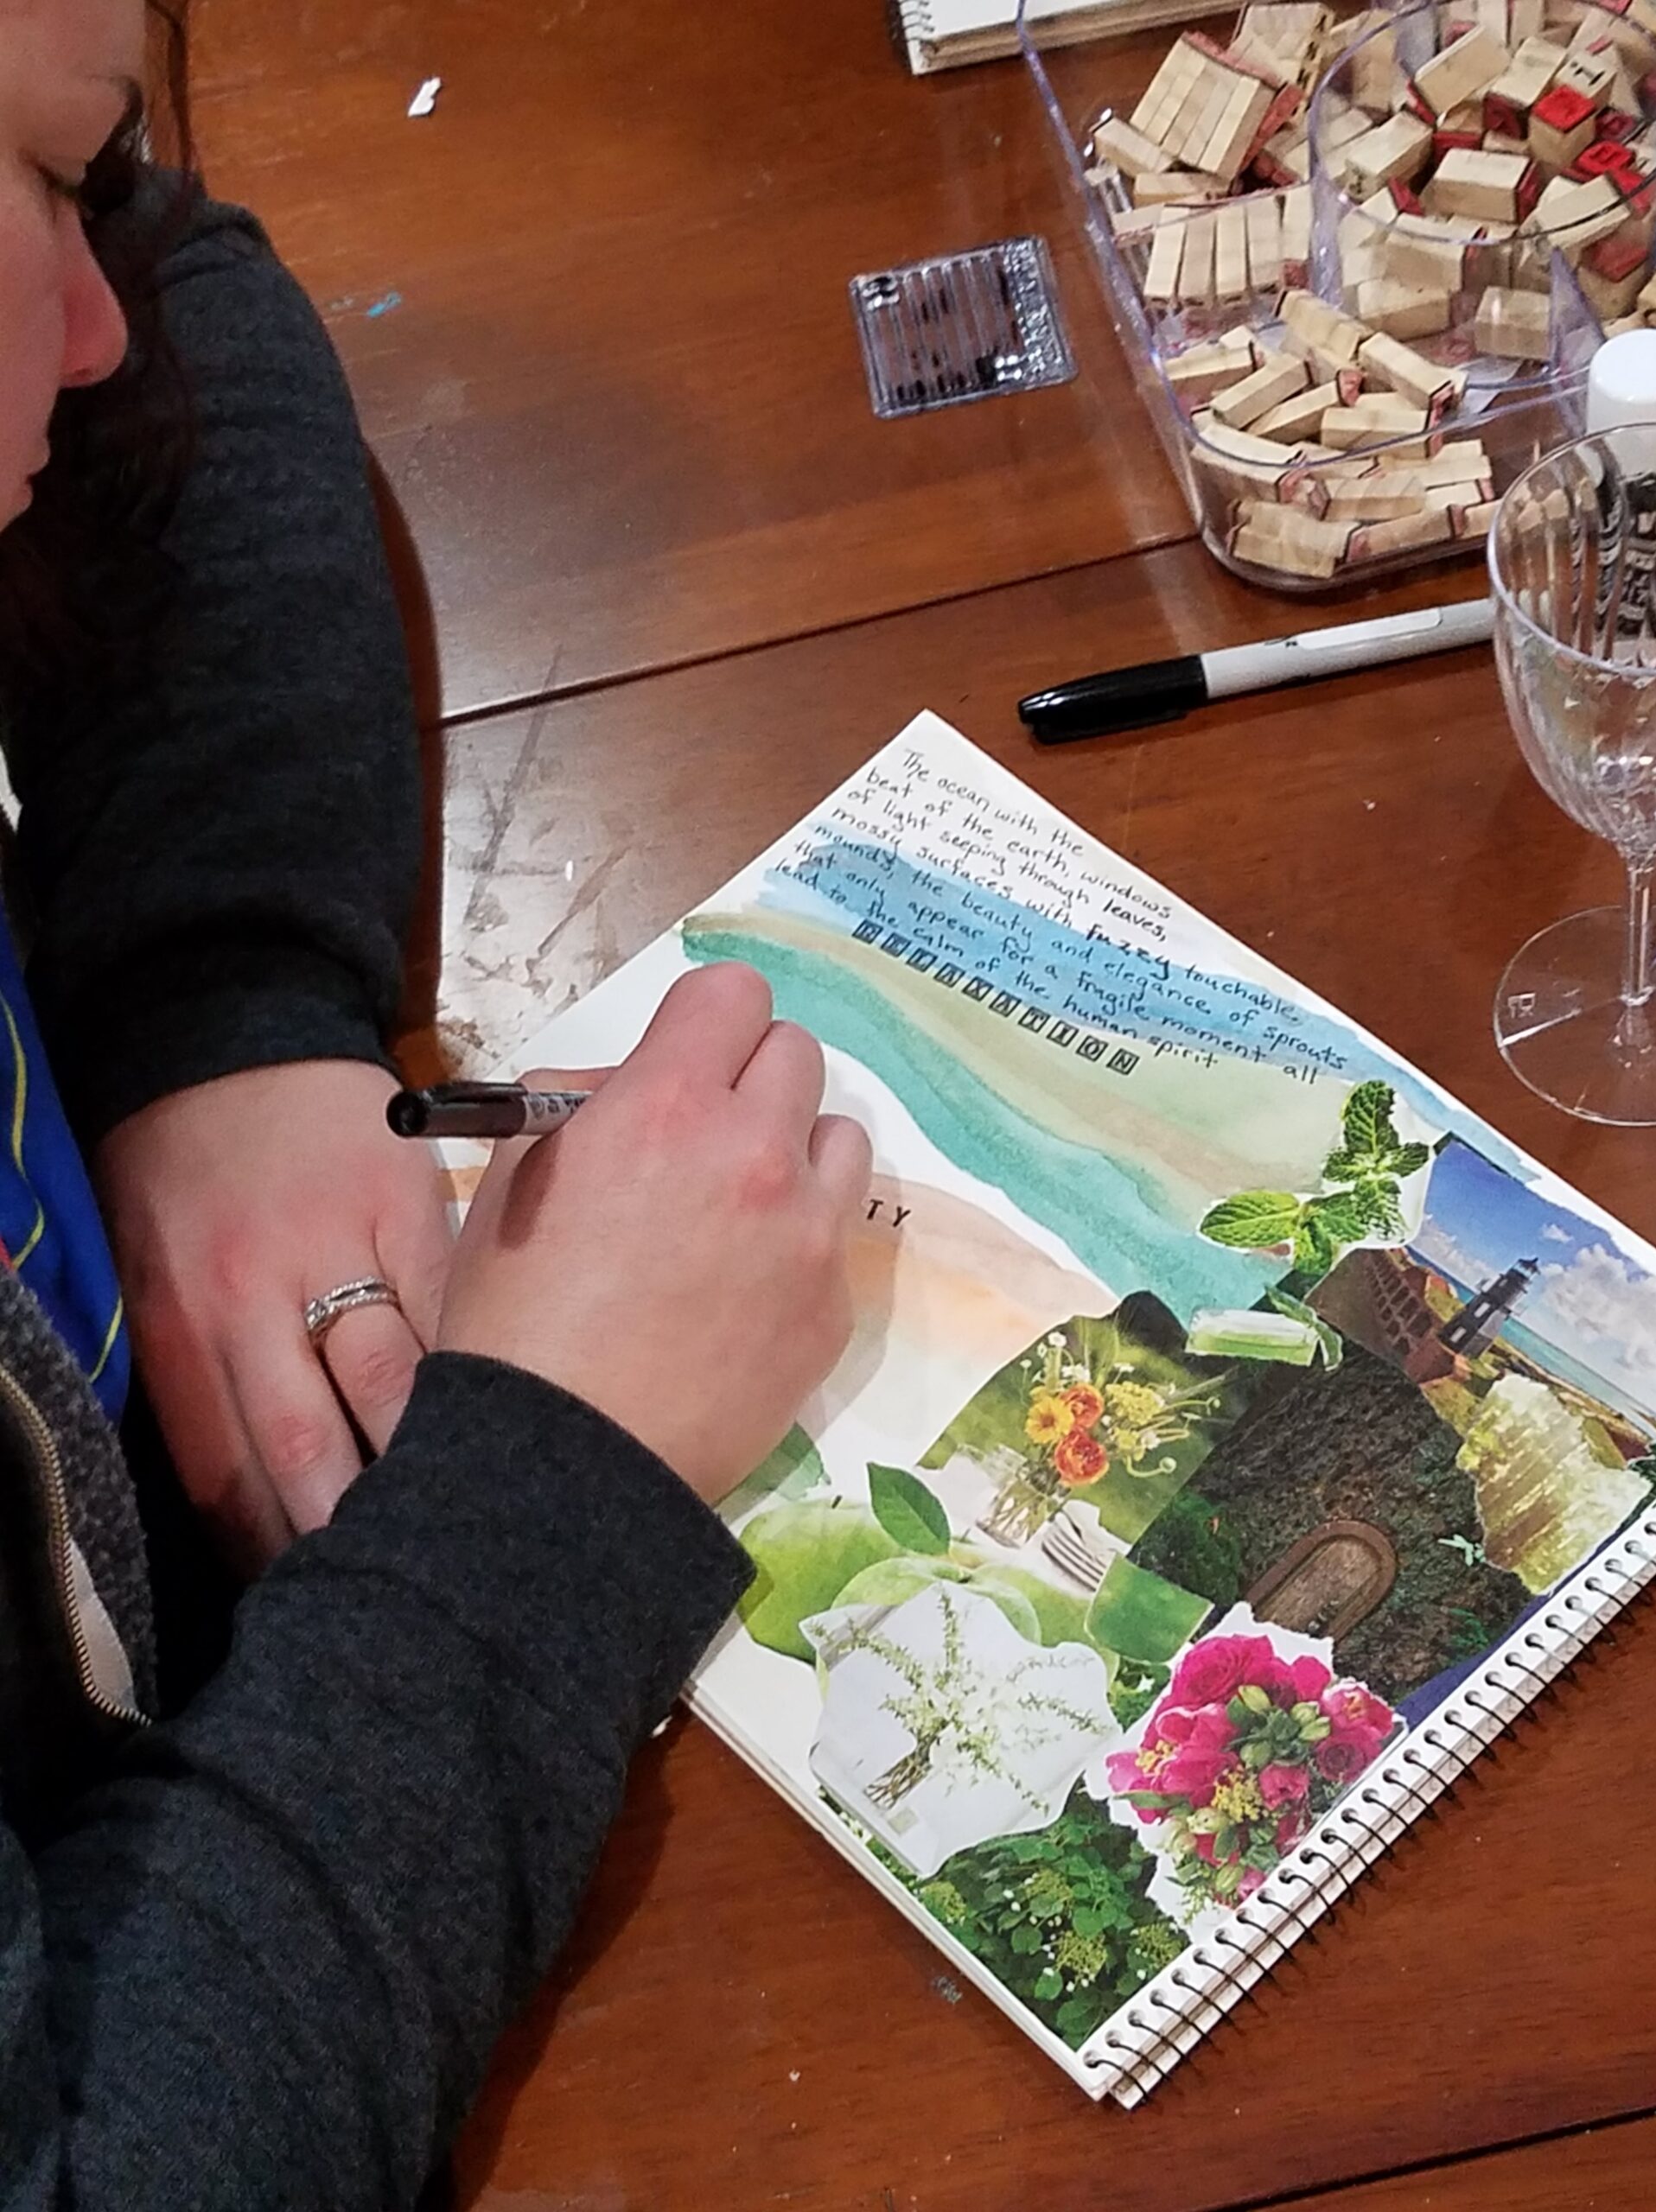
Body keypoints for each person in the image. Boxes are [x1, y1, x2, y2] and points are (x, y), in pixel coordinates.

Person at [0, 0, 871, 2203]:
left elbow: (182, 301)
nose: (98, 325)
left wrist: (215, 1020)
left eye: (79, 166)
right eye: (26, 197)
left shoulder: (84, 307)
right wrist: (553, 1477)